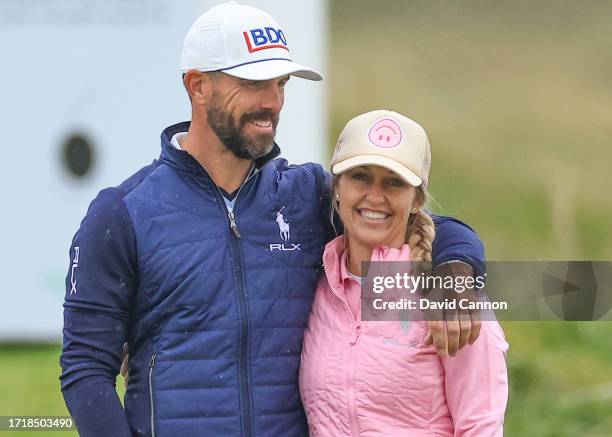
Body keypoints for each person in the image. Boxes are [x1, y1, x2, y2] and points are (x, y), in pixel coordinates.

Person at [60, 3, 487, 436]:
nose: (273, 102)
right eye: (253, 83)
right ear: (198, 85)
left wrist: (455, 273)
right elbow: (86, 369)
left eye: (280, 83)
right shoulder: (124, 212)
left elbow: (428, 224)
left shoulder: (305, 196)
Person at [300, 110, 509, 436]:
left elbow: (480, 426)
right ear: (337, 187)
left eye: (394, 182)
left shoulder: (451, 295)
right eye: (360, 176)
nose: (375, 196)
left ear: (417, 200)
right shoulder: (316, 285)